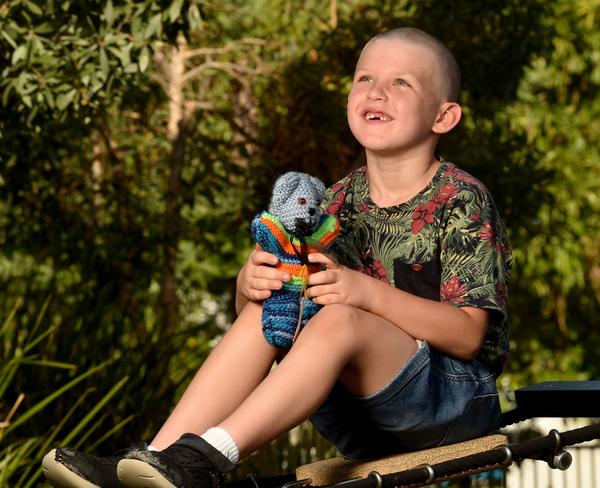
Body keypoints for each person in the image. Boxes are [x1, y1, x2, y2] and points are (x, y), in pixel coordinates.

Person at [41, 26, 512, 488]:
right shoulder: (331, 203)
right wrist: (250, 288)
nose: (377, 92)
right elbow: (281, 323)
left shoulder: (461, 198)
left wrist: (363, 292)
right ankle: (160, 459)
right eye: (364, 78)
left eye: (401, 83)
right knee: (278, 303)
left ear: (444, 116)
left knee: (342, 317)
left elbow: (469, 335)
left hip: (453, 403)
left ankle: (206, 459)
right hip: (356, 413)